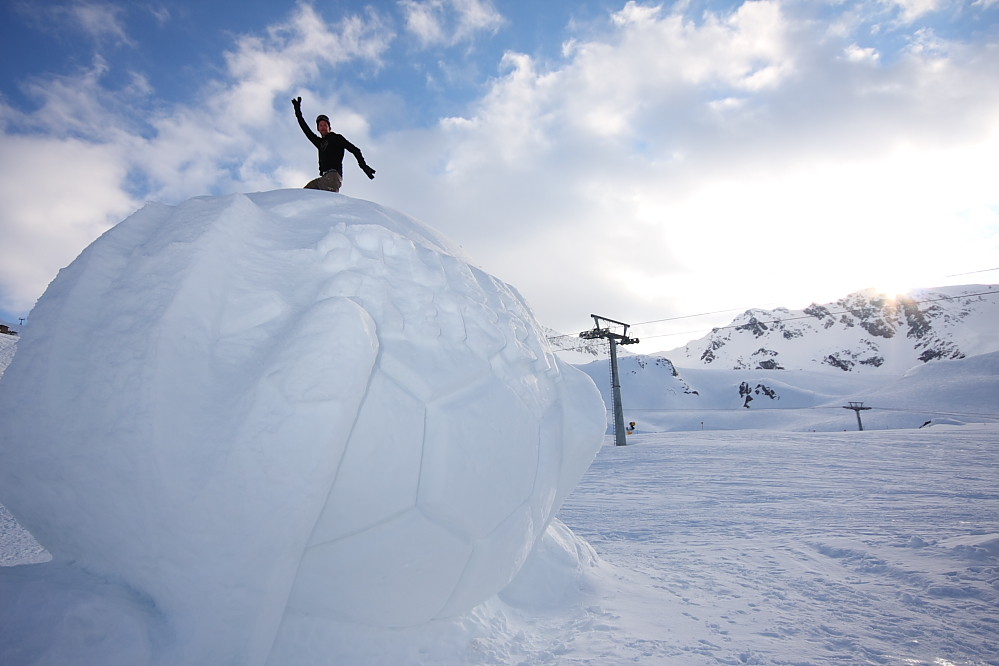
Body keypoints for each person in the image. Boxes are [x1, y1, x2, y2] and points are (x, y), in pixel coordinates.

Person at [292, 96, 375, 192]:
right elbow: (305, 129)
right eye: (320, 125)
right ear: (318, 129)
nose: (323, 127)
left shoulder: (336, 138)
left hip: (333, 176)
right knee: (305, 193)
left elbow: (355, 150)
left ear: (329, 128)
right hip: (323, 177)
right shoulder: (319, 143)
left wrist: (363, 165)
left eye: (325, 125)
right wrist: (298, 111)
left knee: (325, 201)